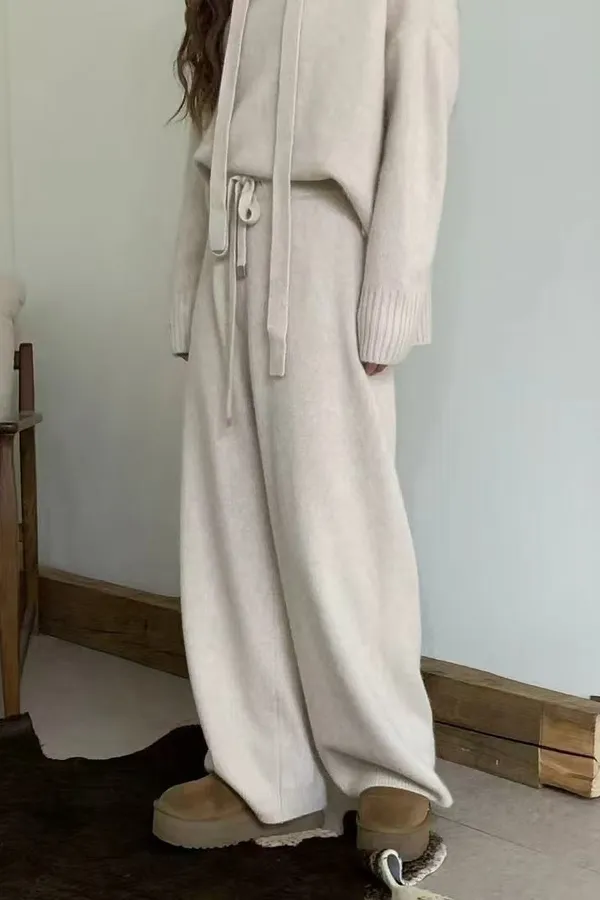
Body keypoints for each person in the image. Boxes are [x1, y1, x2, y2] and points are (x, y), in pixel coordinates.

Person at [153, 0, 459, 863]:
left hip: (327, 249)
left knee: (342, 524)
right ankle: (259, 766)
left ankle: (389, 762)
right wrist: (189, 288)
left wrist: (392, 295)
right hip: (230, 250)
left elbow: (420, 107)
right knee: (228, 527)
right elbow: (209, 126)